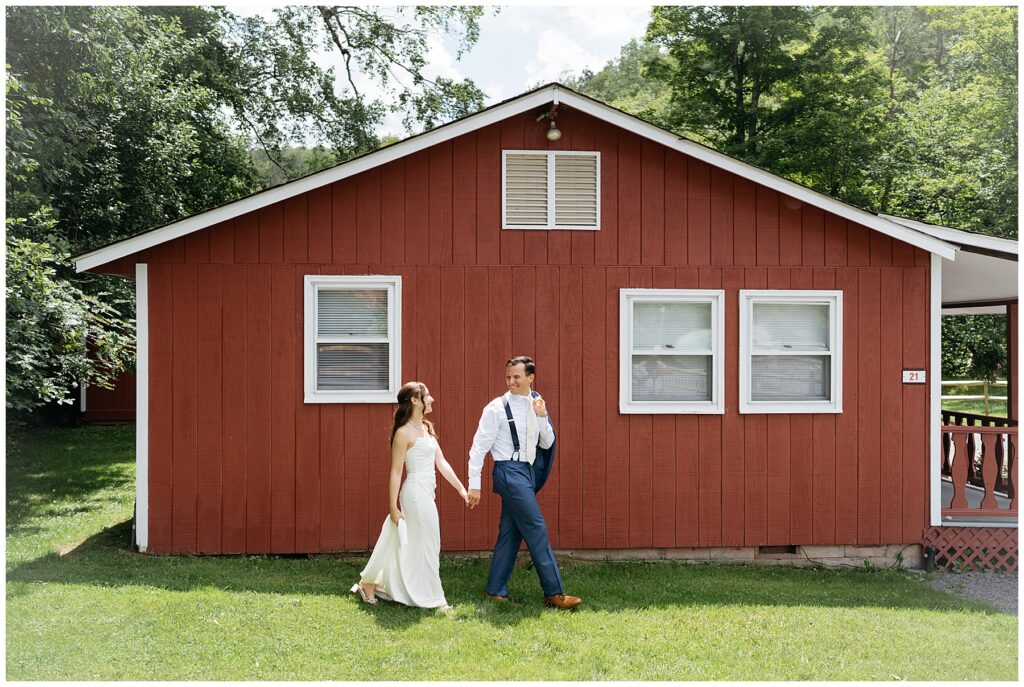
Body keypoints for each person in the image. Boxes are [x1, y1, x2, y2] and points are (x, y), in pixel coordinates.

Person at [467, 356, 582, 609]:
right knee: (536, 527)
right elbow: (478, 448)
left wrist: (542, 416)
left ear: (530, 377)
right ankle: (554, 592)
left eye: (516, 377)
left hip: (527, 472)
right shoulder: (495, 408)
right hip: (508, 470)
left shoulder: (537, 403)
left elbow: (547, 443)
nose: (511, 381)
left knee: (510, 532)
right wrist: (474, 483)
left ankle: (495, 590)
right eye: (508, 376)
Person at [351, 382, 469, 611]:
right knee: (428, 542)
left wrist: (461, 489)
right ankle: (435, 599)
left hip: (427, 492)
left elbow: (442, 463)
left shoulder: (426, 428)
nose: (432, 399)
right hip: (414, 494)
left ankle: (373, 583)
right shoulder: (403, 433)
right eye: (427, 395)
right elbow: (396, 471)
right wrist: (393, 507)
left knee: (425, 544)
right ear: (415, 401)